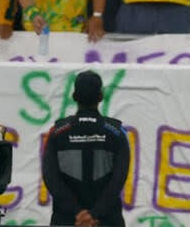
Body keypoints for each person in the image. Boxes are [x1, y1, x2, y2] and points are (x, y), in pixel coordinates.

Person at [42, 70, 130, 227]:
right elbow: (118, 180)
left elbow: (51, 178)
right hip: (107, 220)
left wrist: (78, 214)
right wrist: (95, 214)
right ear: (101, 96)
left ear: (74, 96)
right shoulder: (116, 132)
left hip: (66, 219)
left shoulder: (57, 132)